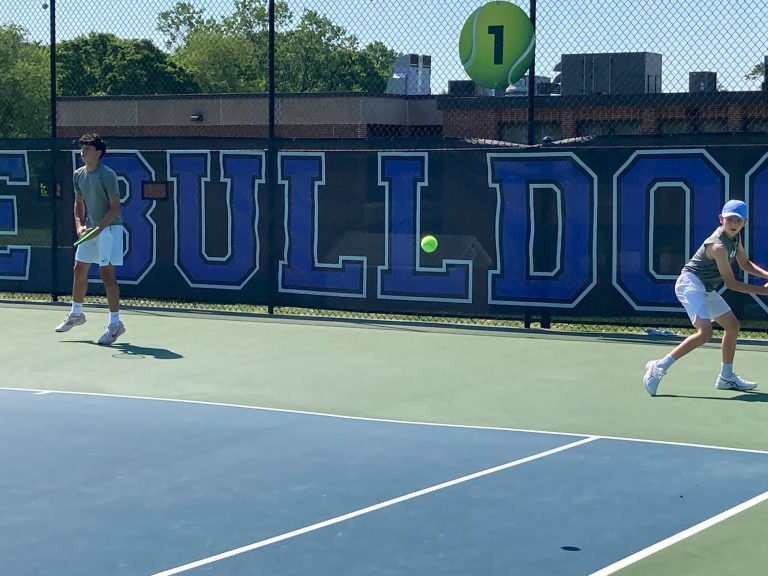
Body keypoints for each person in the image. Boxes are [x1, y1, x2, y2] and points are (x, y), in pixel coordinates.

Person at [643, 199, 768, 396]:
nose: (734, 224)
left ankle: (726, 377)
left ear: (745, 222)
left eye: (738, 220)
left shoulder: (735, 238)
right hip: (690, 284)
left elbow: (745, 264)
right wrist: (764, 291)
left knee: (732, 326)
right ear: (721, 219)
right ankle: (658, 366)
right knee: (705, 332)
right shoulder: (718, 246)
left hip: (705, 287)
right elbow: (731, 284)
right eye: (730, 220)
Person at [54, 133, 126, 345]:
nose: (82, 151)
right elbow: (78, 204)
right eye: (81, 147)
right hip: (90, 230)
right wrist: (79, 225)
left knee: (106, 274)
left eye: (87, 148)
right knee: (79, 268)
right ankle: (76, 314)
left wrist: (99, 229)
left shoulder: (107, 175)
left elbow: (115, 209)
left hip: (110, 229)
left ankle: (115, 325)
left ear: (98, 153)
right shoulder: (78, 175)